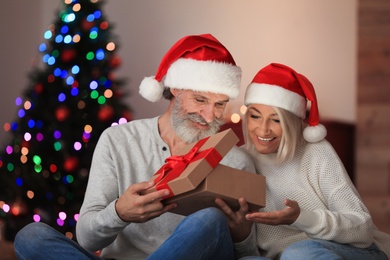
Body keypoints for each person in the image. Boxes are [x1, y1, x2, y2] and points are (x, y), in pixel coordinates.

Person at [14, 34, 256, 259]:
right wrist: (119, 213)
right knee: (31, 236)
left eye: (220, 104)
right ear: (175, 88)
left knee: (209, 219)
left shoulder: (237, 161)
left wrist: (242, 235)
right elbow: (86, 240)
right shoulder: (118, 140)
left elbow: (249, 253)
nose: (210, 115)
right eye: (200, 100)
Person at [217, 63, 390, 259]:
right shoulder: (240, 162)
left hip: (348, 250)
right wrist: (241, 237)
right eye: (255, 116)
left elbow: (362, 229)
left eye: (276, 120)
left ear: (292, 123)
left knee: (299, 253)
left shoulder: (315, 152)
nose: (263, 130)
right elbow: (253, 252)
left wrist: (301, 218)